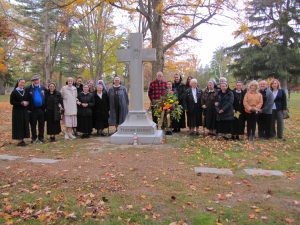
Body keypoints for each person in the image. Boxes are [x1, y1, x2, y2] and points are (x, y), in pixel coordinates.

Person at [25, 75, 46, 143]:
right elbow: (25, 98)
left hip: (41, 110)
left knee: (41, 124)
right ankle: (34, 138)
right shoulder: (28, 88)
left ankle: (41, 137)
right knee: (33, 124)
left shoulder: (43, 88)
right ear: (32, 81)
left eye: (37, 80)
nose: (36, 81)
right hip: (32, 110)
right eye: (34, 80)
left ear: (39, 80)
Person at [10, 79, 30, 146]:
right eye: (21, 82)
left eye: (24, 83)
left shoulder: (25, 91)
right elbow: (12, 102)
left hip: (24, 111)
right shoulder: (14, 92)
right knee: (18, 124)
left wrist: (27, 102)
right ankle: (19, 140)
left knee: (24, 124)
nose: (22, 84)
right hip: (17, 111)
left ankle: (23, 139)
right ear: (18, 83)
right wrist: (21, 103)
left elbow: (28, 99)